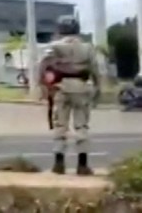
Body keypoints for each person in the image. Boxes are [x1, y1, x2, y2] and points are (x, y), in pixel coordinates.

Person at [40, 15, 101, 176]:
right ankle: (83, 164)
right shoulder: (87, 47)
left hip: (61, 88)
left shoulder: (54, 46)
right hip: (81, 87)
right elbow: (95, 69)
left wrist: (43, 86)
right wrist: (98, 86)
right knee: (81, 126)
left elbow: (43, 65)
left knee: (60, 126)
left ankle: (58, 164)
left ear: (60, 29)